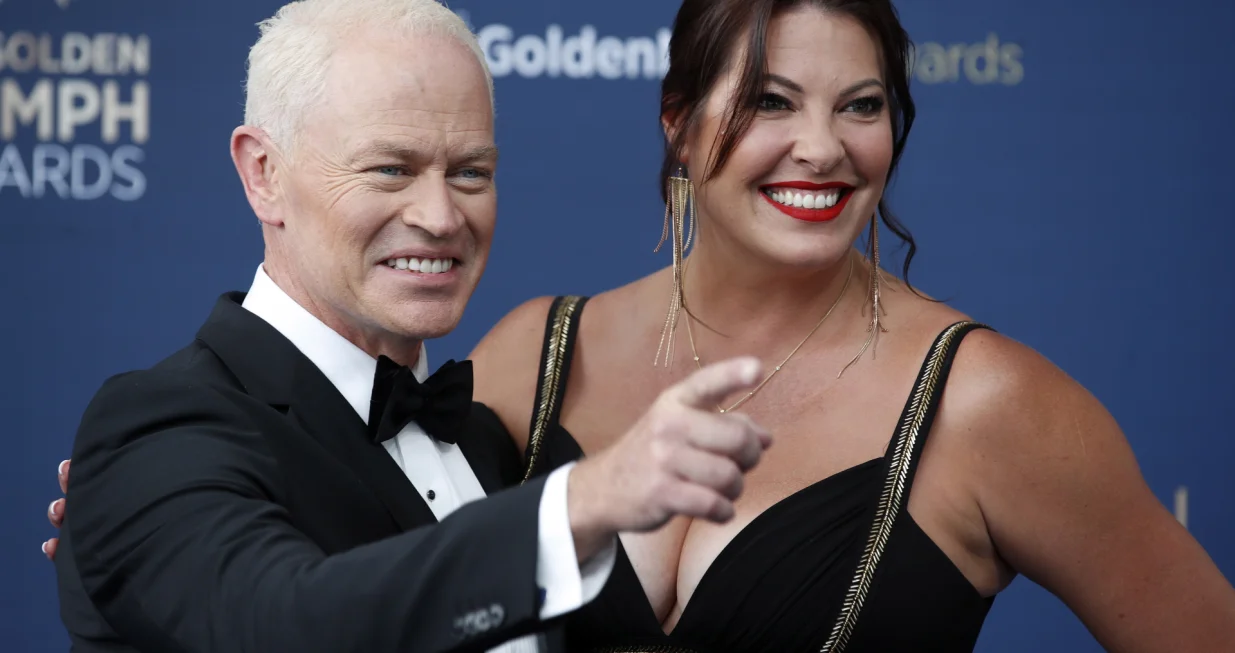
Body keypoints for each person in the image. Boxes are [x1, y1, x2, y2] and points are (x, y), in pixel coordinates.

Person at [44, 0, 1235, 652]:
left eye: (860, 105)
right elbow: (320, 575)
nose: (819, 145)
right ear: (677, 123)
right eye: (768, 99)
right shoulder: (529, 358)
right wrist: (135, 522)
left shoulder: (992, 401)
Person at [43, 1, 776, 652]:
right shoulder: (155, 428)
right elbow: (286, 623)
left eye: (470, 173)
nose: (439, 216)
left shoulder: (492, 445)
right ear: (263, 172)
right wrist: (580, 502)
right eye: (390, 170)